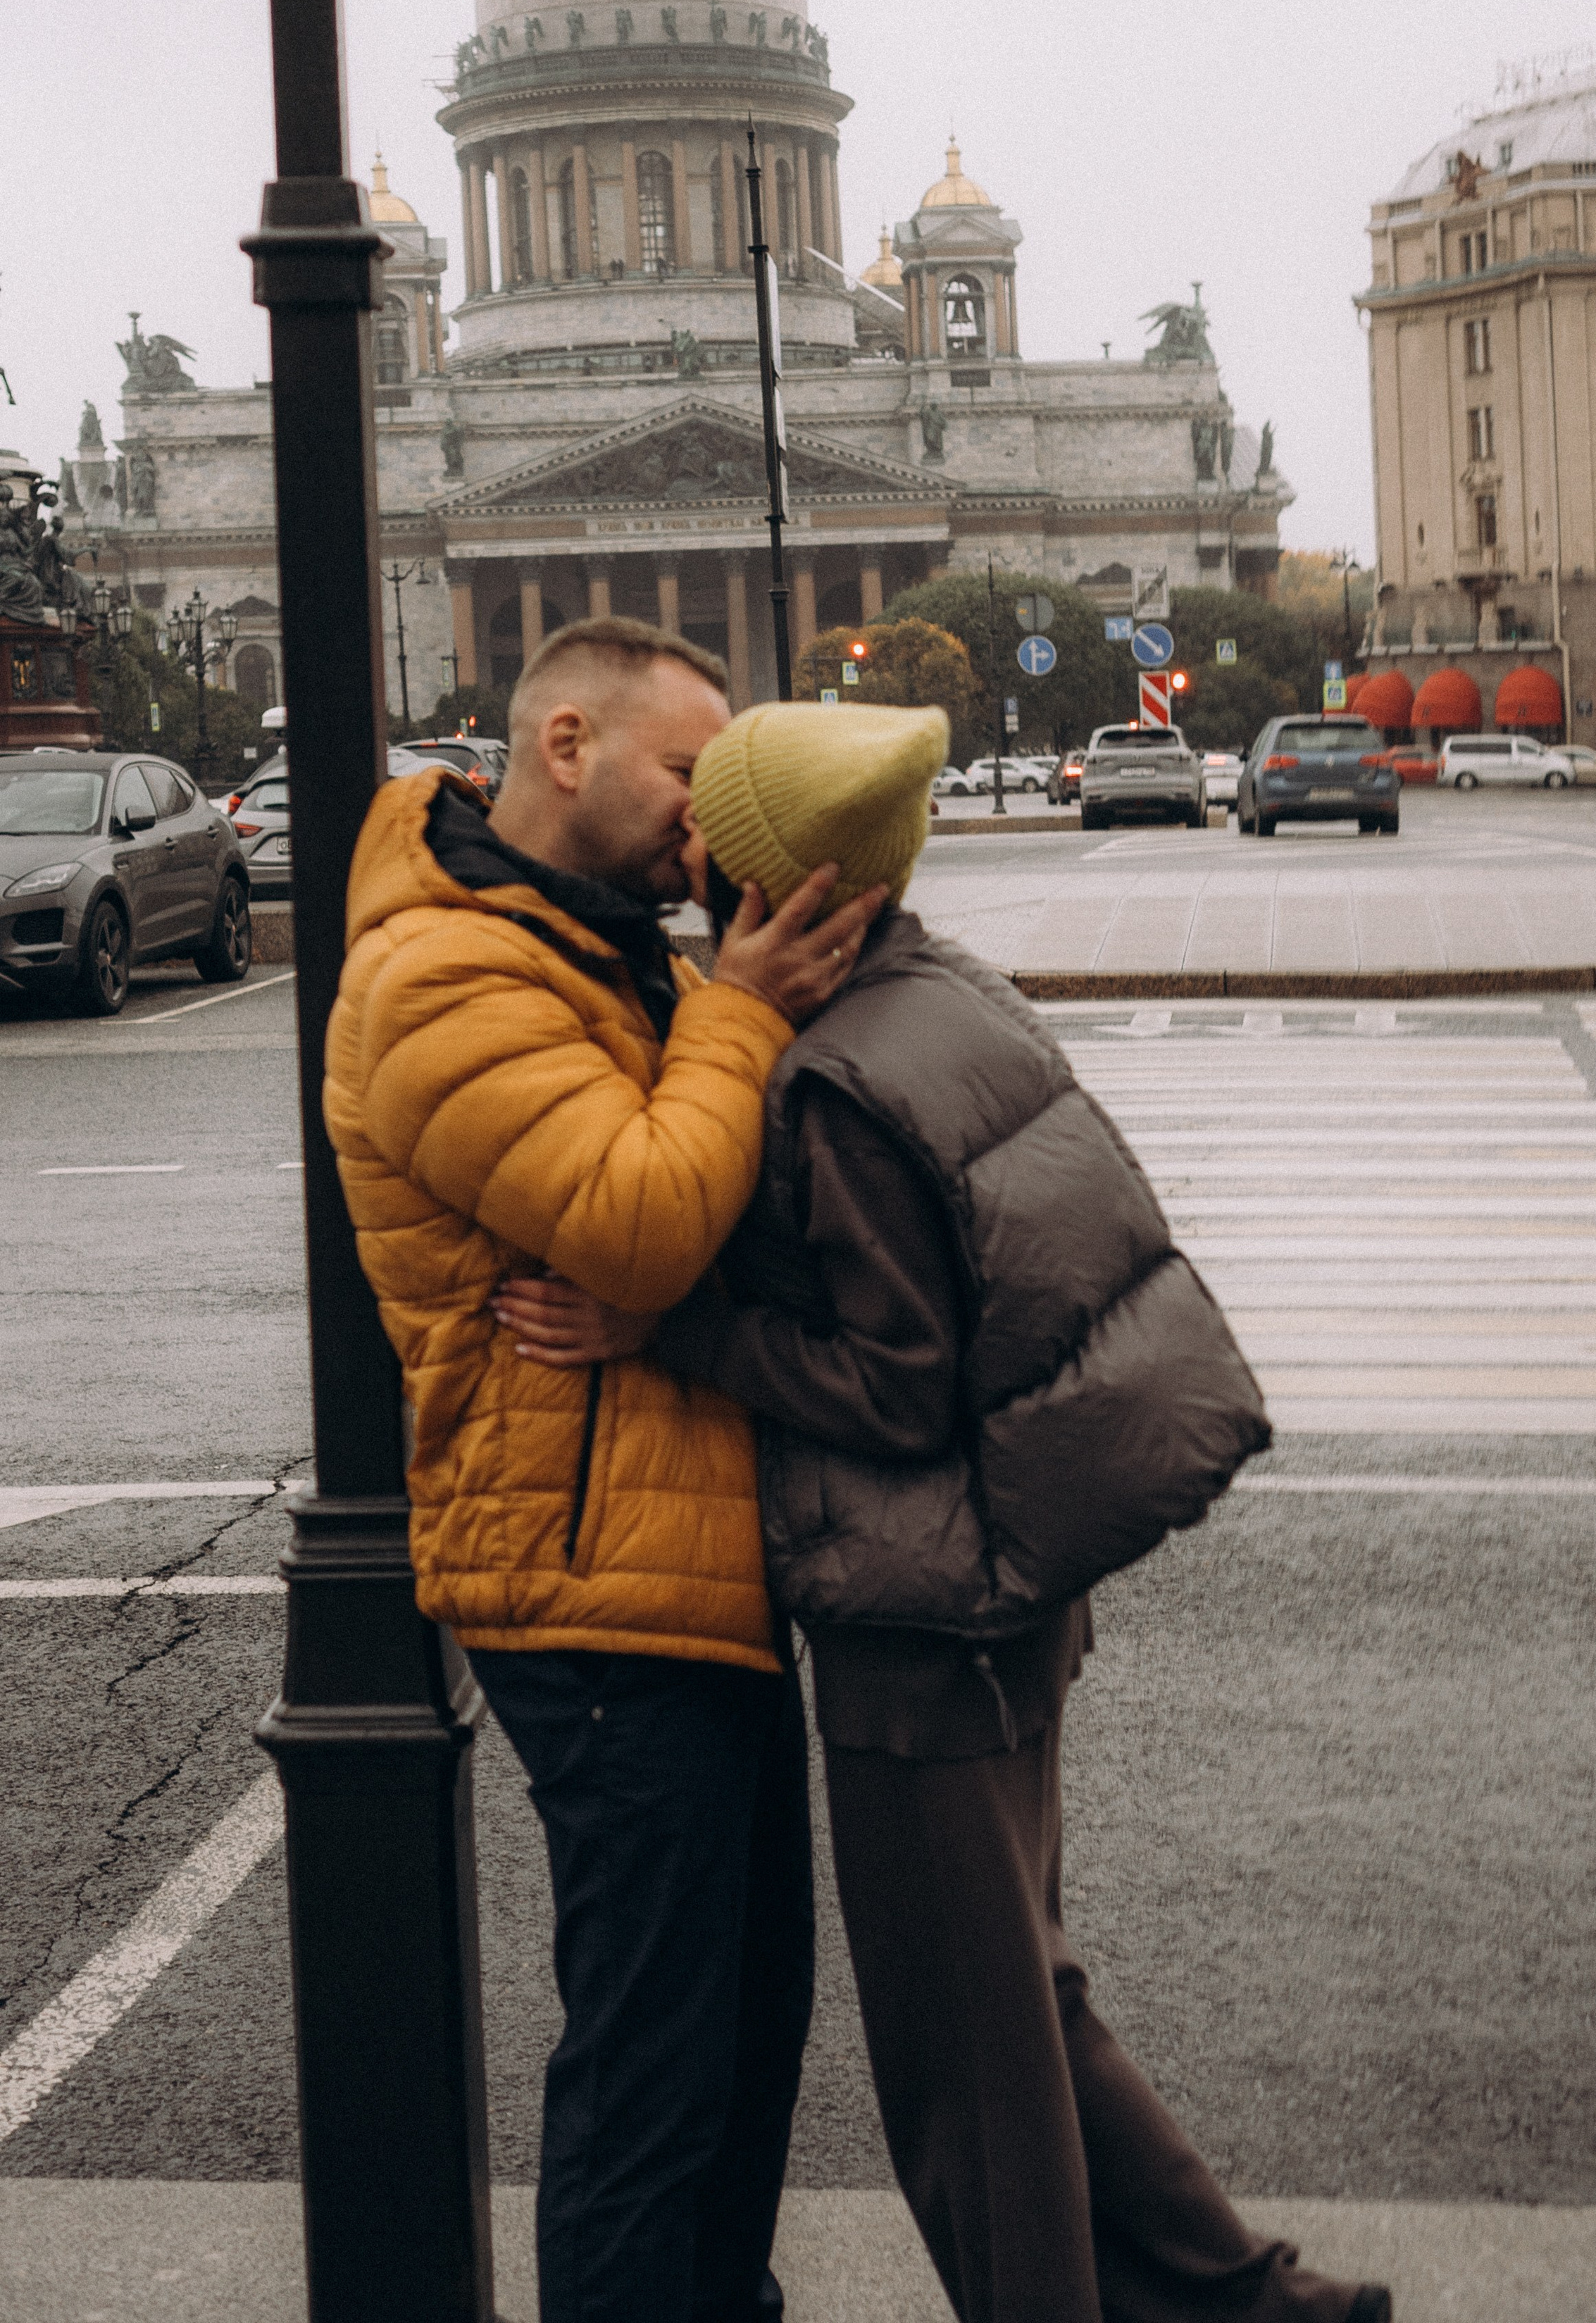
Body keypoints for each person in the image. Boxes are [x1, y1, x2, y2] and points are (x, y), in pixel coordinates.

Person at [494, 701, 1394, 2323]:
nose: (680, 842)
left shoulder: (831, 1082)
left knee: (964, 2081)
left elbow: (897, 1384)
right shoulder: (936, 987)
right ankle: (1248, 2305)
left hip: (924, 1624)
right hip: (1008, 1598)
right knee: (1026, 2001)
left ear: (773, 880)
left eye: (710, 825)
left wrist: (671, 1330)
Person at [322, 619, 887, 2323]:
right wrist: (740, 1011)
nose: (706, 816)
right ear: (564, 745)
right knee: (652, 2078)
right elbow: (640, 1222)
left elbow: (713, 1214)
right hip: (587, 1587)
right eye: (685, 773)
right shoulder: (443, 976)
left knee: (739, 2050)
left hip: (686, 1566)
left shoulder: (608, 950)